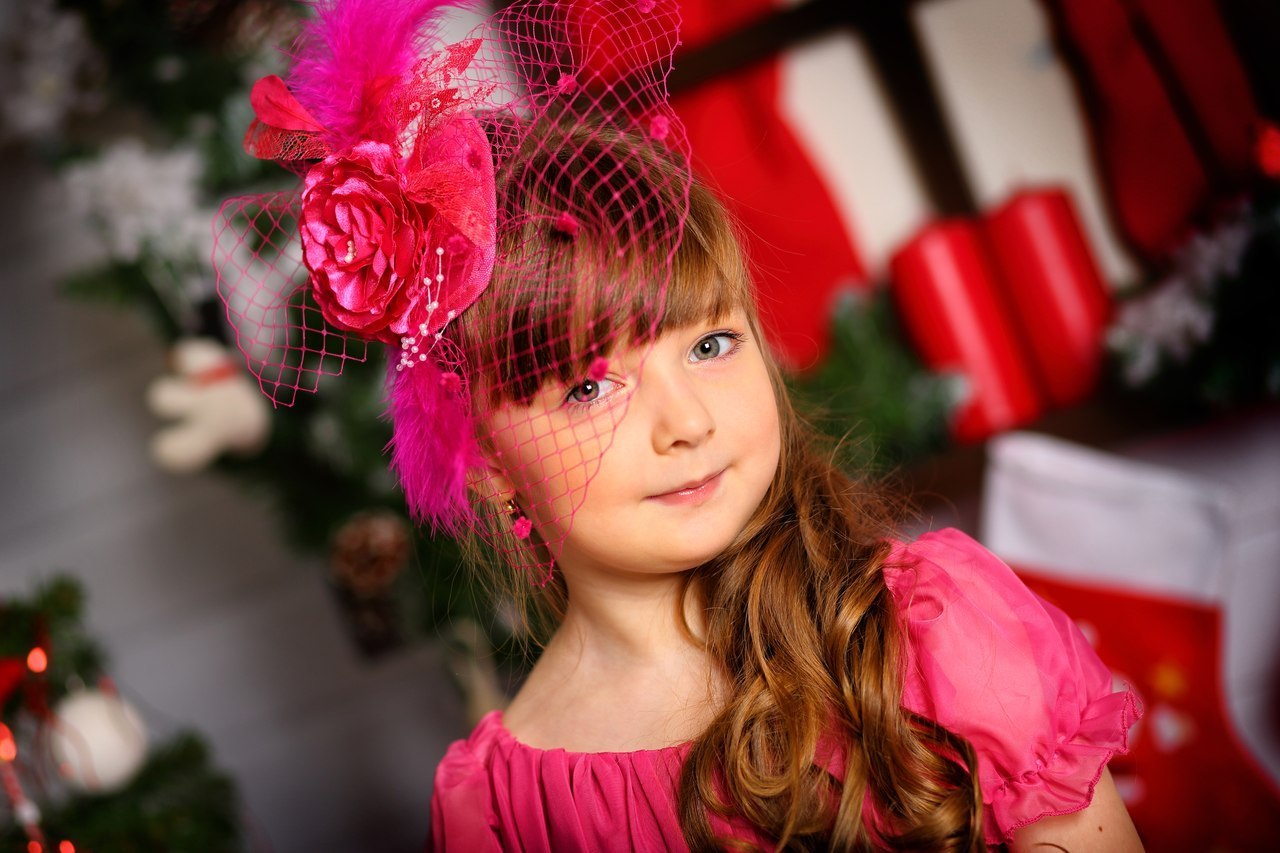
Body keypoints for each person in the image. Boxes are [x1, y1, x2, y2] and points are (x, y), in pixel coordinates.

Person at [215, 1, 1144, 849]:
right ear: (486, 456)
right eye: (589, 387)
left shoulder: (929, 629)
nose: (687, 422)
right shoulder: (503, 801)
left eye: (710, 344)